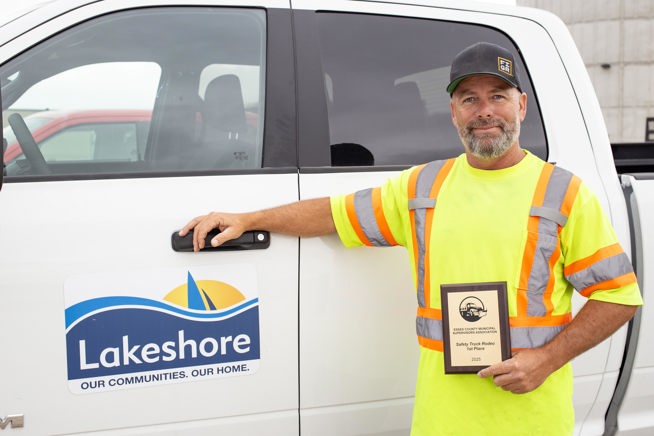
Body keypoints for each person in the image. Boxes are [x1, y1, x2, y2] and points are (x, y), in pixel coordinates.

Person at [179, 42, 643, 435]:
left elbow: (619, 296)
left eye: (497, 96)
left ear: (520, 105)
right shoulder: (423, 188)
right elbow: (333, 213)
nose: (484, 111)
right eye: (468, 98)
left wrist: (546, 358)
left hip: (530, 419)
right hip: (440, 421)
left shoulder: (564, 194)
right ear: (453, 112)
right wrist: (251, 217)